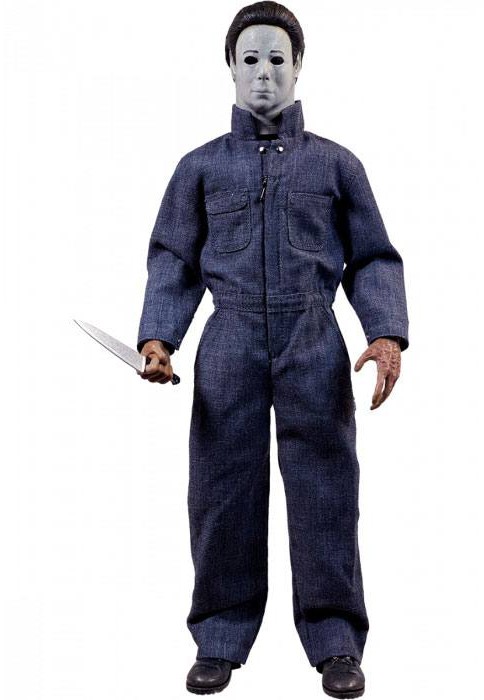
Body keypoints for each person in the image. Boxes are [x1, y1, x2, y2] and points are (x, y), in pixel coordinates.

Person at [137, 2, 409, 696]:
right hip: (229, 339)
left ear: (299, 68)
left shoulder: (336, 165)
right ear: (230, 68)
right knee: (222, 489)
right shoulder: (200, 168)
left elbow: (373, 257)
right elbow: (174, 259)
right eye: (250, 59)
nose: (264, 73)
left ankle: (336, 641)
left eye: (277, 59)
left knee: (326, 488)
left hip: (312, 336)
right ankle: (219, 637)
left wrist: (384, 333)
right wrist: (159, 338)